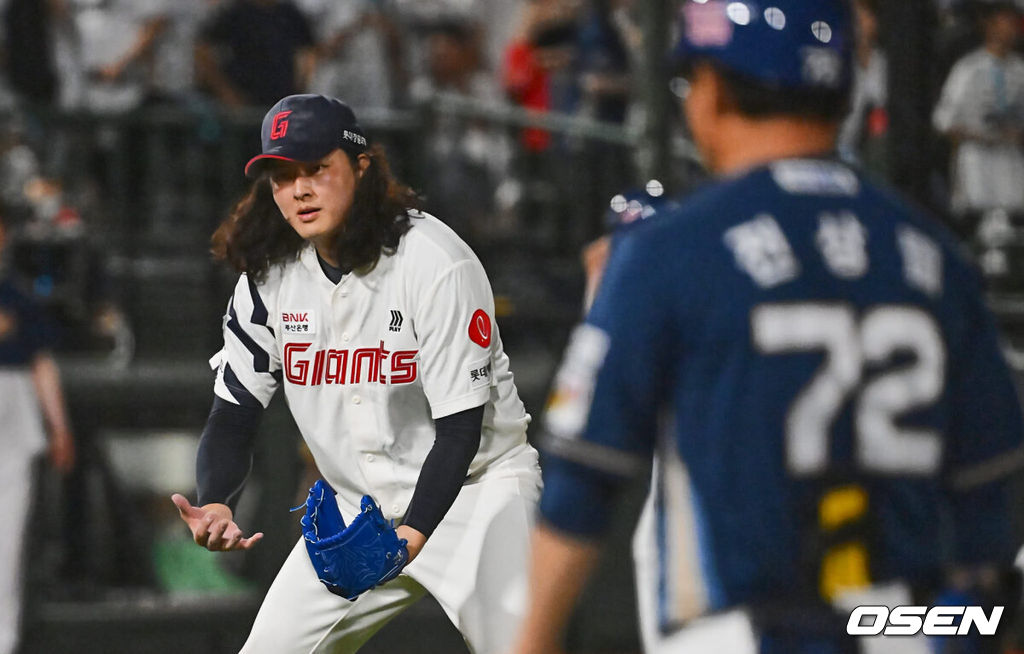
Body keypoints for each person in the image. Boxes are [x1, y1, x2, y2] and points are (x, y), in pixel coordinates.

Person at [512, 1, 1024, 653]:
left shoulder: (673, 251)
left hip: (742, 629)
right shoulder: (934, 257)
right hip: (903, 629)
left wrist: (531, 640)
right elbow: (987, 503)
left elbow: (581, 481)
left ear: (713, 92)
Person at [170, 93, 541, 653]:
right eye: (281, 175)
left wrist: (411, 536)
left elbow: (460, 430)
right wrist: (218, 497)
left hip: (477, 494)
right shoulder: (267, 282)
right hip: (356, 507)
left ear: (361, 168)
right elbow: (234, 414)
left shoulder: (436, 263)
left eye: (317, 168)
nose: (299, 189)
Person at [0, 205, 75, 654]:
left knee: (6, 540)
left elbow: (41, 363)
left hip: (13, 412)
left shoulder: (18, 297)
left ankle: (3, 639)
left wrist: (58, 426)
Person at [933, 0, 1024, 217]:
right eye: (1005, 20)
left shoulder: (1020, 71)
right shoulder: (968, 69)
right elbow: (943, 123)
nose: (1011, 27)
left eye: (1014, 21)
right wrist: (980, 135)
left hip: (1011, 164)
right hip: (977, 165)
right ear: (990, 25)